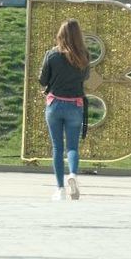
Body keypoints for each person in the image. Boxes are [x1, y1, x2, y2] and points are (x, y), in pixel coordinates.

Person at [39, 19, 91, 201]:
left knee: (57, 147)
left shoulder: (52, 55)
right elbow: (86, 77)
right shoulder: (84, 55)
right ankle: (73, 175)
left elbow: (42, 80)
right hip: (75, 105)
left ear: (61, 34)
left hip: (54, 105)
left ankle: (60, 189)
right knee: (72, 147)